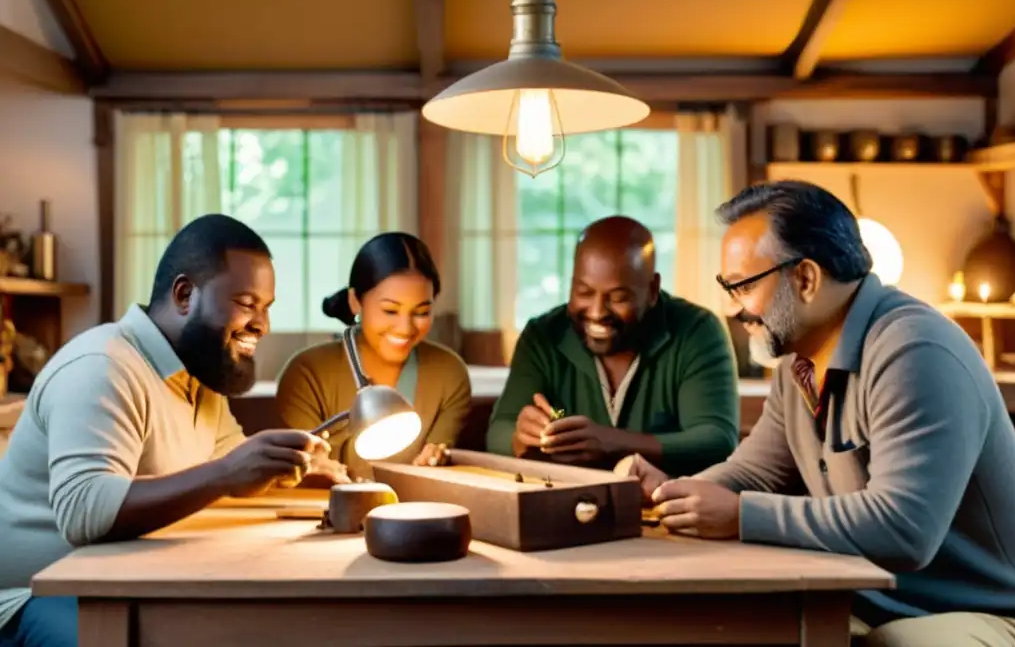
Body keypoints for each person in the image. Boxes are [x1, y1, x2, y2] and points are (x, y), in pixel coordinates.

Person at [622, 180, 1015, 647]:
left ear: (806, 278)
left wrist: (739, 515)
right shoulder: (799, 361)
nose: (733, 307)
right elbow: (757, 473)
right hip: (869, 596)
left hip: (986, 609)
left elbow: (903, 529)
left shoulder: (915, 350)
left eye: (744, 286)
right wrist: (671, 495)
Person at [0, 213, 347, 647]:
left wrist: (291, 470)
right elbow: (84, 511)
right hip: (33, 597)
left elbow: (229, 456)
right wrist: (227, 473)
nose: (263, 324)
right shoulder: (102, 367)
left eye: (267, 308)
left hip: (122, 580)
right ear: (185, 295)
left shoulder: (196, 373)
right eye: (246, 303)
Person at [487, 215, 740, 477]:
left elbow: (716, 440)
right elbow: (498, 431)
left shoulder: (697, 331)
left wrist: (613, 442)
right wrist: (520, 438)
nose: (597, 312)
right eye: (584, 292)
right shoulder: (543, 335)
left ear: (653, 290)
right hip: (564, 501)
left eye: (619, 298)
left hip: (666, 505)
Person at [276, 232, 471, 480]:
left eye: (421, 312)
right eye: (390, 310)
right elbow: (301, 473)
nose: (405, 328)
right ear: (355, 301)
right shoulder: (306, 374)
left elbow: (436, 467)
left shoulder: (448, 373)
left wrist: (436, 458)